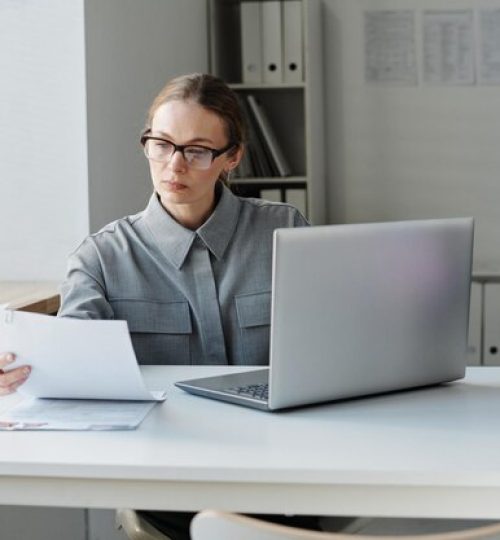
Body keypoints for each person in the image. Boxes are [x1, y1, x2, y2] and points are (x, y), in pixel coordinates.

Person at [0, 73, 336, 538]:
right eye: (161, 144)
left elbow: (333, 349)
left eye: (197, 150)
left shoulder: (286, 233)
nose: (174, 166)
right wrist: (19, 376)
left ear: (232, 157)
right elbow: (69, 376)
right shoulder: (101, 257)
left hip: (278, 480)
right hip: (165, 489)